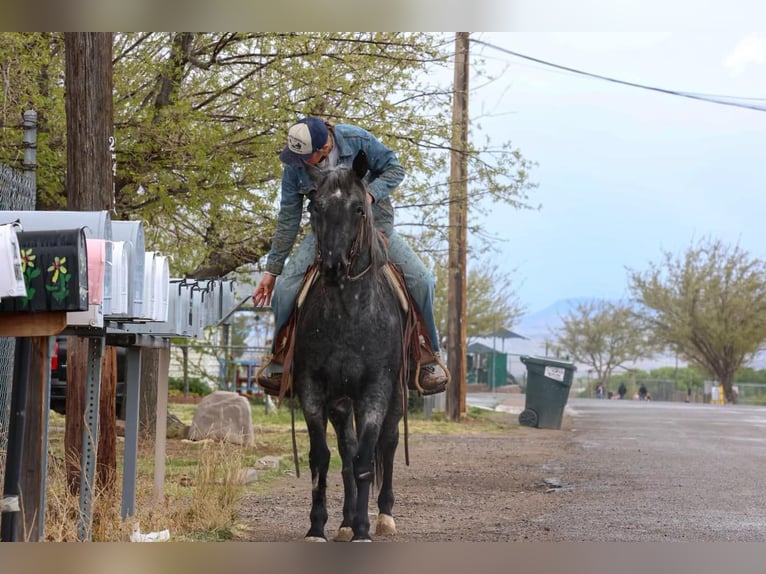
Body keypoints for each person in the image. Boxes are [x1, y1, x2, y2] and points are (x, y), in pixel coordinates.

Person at [252, 117, 449, 393]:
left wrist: (369, 195)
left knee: (422, 280)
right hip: (326, 235)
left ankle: (427, 357)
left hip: (373, 225)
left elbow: (395, 168)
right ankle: (280, 359)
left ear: (323, 146)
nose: (299, 162)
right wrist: (271, 271)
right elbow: (288, 217)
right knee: (285, 289)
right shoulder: (295, 165)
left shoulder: (358, 141)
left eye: (305, 156)